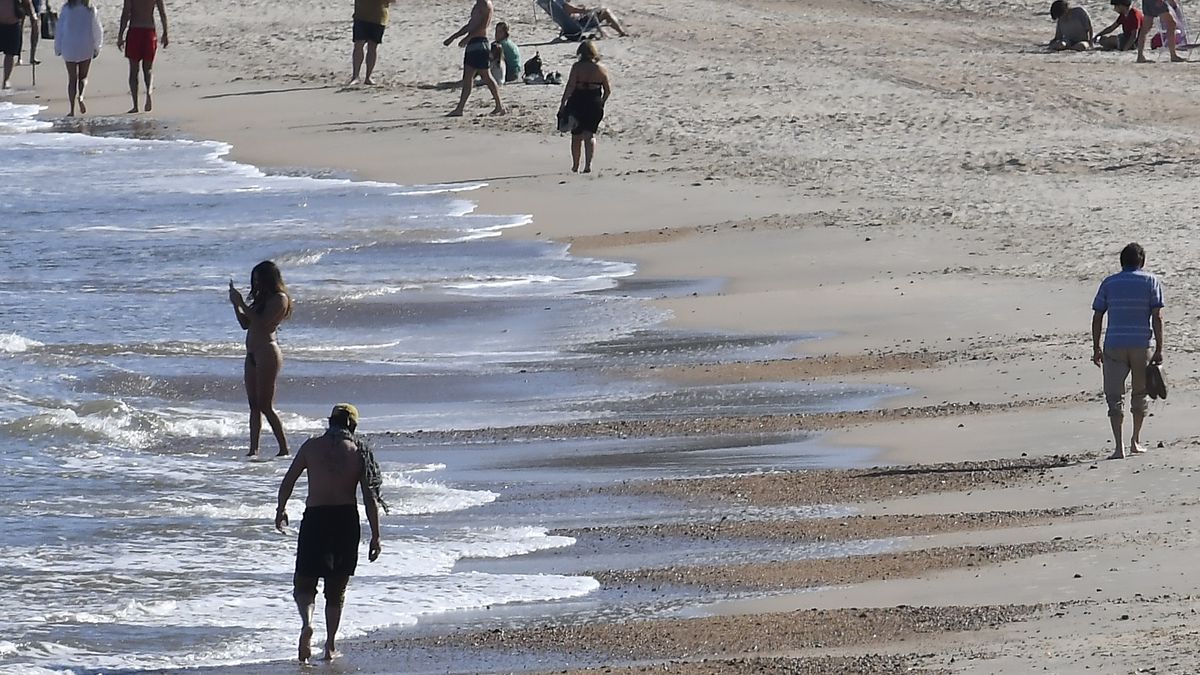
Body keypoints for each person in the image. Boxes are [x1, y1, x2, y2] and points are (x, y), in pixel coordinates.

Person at [275, 403, 386, 663]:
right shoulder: (359, 452)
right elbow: (369, 498)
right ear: (353, 426)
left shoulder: (311, 447)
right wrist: (376, 535)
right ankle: (330, 646)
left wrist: (281, 509)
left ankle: (307, 624)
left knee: (305, 581)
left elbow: (288, 481)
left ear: (330, 422)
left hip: (315, 518)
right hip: (345, 521)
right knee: (336, 589)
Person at [1092, 243, 1164, 460]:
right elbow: (1157, 317)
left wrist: (1096, 347)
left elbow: (1098, 316)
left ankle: (1118, 447)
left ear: (1121, 261)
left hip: (1114, 344)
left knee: (1114, 396)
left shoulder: (1109, 282)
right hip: (1142, 344)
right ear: (1142, 261)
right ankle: (1135, 441)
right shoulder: (1151, 281)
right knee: (1140, 394)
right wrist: (1159, 348)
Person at [228, 260, 293, 457]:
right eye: (254, 280)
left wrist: (242, 303)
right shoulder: (261, 300)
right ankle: (253, 449)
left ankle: (284, 448)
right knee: (254, 405)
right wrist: (236, 305)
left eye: (259, 280)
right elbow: (245, 324)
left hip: (267, 351)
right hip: (252, 353)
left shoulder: (280, 299)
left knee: (265, 405)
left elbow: (263, 324)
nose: (256, 284)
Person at [443, 0, 505, 117]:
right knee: (468, 77)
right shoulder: (478, 4)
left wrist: (468, 38)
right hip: (473, 43)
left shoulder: (485, 4)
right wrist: (453, 37)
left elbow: (483, 25)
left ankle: (499, 106)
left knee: (486, 76)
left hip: (480, 43)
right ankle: (460, 109)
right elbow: (470, 25)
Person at [559, 40, 610, 174]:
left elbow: (570, 86)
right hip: (594, 103)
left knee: (576, 136)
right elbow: (607, 90)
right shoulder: (601, 69)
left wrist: (563, 102)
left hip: (578, 102)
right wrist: (602, 102)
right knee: (589, 135)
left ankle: (576, 165)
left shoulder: (577, 67)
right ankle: (588, 165)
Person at [117, 0, 169, 113]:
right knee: (148, 69)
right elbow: (162, 12)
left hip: (135, 31)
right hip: (149, 31)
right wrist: (165, 33)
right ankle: (149, 94)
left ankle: (135, 105)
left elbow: (126, 13)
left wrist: (120, 35)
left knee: (134, 71)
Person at [54, 0, 101, 116]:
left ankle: (71, 109)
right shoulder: (90, 9)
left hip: (69, 45)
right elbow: (97, 28)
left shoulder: (67, 8)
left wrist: (57, 47)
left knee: (72, 79)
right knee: (83, 77)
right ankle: (80, 96)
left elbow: (60, 29)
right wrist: (97, 46)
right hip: (86, 44)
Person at [349, 0, 394, 85]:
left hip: (379, 17)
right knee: (358, 44)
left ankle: (368, 77)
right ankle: (355, 76)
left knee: (372, 47)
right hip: (361, 16)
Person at [1, 0, 37, 89]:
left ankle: (6, 80)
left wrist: (33, 15)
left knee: (10, 53)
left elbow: (27, 2)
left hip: (13, 24)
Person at [561, 1, 627, 37]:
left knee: (595, 14)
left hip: (575, 23)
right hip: (580, 25)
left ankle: (603, 33)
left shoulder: (557, 5)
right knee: (605, 12)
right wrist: (590, 9)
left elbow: (574, 11)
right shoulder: (564, 4)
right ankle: (622, 32)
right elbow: (576, 10)